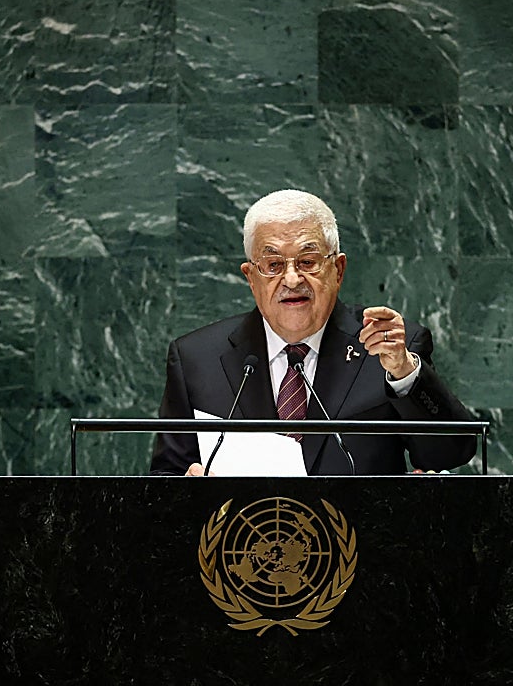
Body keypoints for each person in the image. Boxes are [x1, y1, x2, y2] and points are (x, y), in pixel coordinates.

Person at [149, 189, 477, 476]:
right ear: (251, 277)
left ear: (338, 270)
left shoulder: (384, 349)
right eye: (273, 265)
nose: (292, 280)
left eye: (308, 262)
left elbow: (450, 454)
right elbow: (166, 478)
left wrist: (404, 372)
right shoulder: (197, 359)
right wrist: (189, 489)